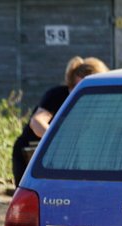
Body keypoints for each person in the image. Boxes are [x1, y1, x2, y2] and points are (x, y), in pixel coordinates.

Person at [11, 56, 109, 184]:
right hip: (31, 154)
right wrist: (58, 141)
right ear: (71, 84)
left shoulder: (101, 104)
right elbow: (37, 122)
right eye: (78, 87)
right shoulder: (57, 95)